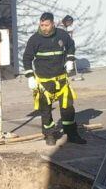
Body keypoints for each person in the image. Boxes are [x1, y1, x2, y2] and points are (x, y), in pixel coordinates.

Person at [22, 12, 86, 146]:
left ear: (53, 23)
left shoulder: (62, 35)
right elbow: (27, 58)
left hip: (61, 80)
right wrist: (30, 77)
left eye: (46, 25)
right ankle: (49, 134)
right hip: (44, 82)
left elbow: (71, 46)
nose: (44, 27)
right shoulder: (35, 39)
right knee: (45, 110)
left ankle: (72, 134)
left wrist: (70, 59)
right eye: (41, 25)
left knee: (67, 108)